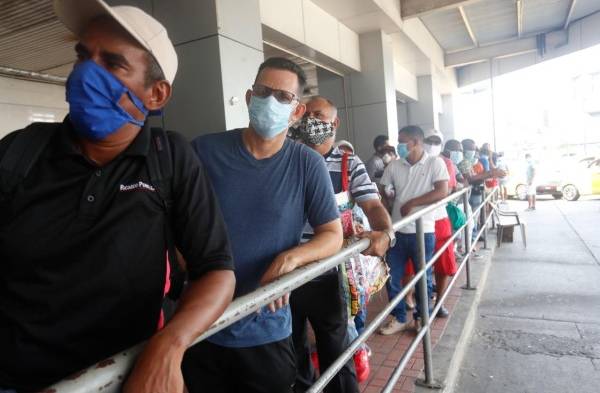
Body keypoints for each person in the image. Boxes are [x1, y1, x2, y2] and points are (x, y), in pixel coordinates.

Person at [0, 2, 236, 392]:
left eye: (112, 63)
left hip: (123, 376)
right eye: (83, 56)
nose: (85, 72)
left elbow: (216, 269)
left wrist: (169, 345)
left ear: (157, 94)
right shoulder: (18, 153)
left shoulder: (169, 159)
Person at [182, 58, 343, 393]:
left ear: (297, 111)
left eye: (283, 97)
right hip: (200, 324)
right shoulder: (204, 151)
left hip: (266, 330)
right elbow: (177, 223)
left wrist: (292, 258)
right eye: (264, 92)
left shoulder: (306, 164)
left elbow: (332, 234)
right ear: (248, 96)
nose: (271, 102)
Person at [291, 96, 394, 393]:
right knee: (293, 351)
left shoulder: (348, 163)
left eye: (318, 115)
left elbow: (373, 205)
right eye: (306, 115)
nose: (310, 121)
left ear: (334, 123)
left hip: (329, 272)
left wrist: (385, 233)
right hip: (289, 272)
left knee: (336, 350)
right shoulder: (287, 157)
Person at [378, 126, 449, 335]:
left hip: (423, 230)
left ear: (417, 142)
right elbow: (382, 190)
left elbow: (442, 191)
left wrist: (412, 203)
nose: (399, 145)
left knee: (423, 278)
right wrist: (386, 207)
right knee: (391, 276)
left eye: (403, 141)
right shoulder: (394, 166)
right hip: (397, 231)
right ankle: (398, 317)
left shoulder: (435, 163)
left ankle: (420, 318)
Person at [424, 130, 457, 318]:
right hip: (417, 220)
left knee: (443, 263)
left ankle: (439, 302)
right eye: (430, 140)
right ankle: (422, 302)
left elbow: (449, 189)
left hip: (439, 218)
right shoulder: (410, 162)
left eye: (436, 141)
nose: (432, 144)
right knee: (417, 265)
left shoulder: (446, 163)